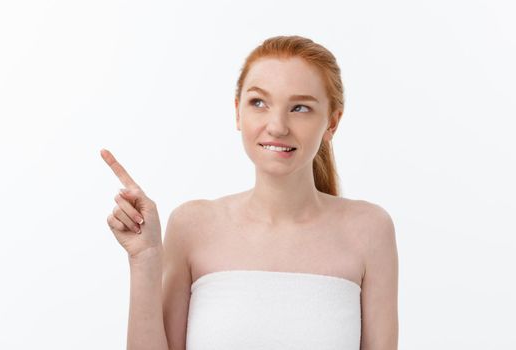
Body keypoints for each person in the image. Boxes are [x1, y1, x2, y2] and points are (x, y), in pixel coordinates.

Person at [102, 35, 399, 350]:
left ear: (332, 123)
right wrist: (145, 258)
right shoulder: (192, 226)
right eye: (259, 102)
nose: (277, 126)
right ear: (237, 113)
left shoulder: (369, 230)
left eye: (300, 108)